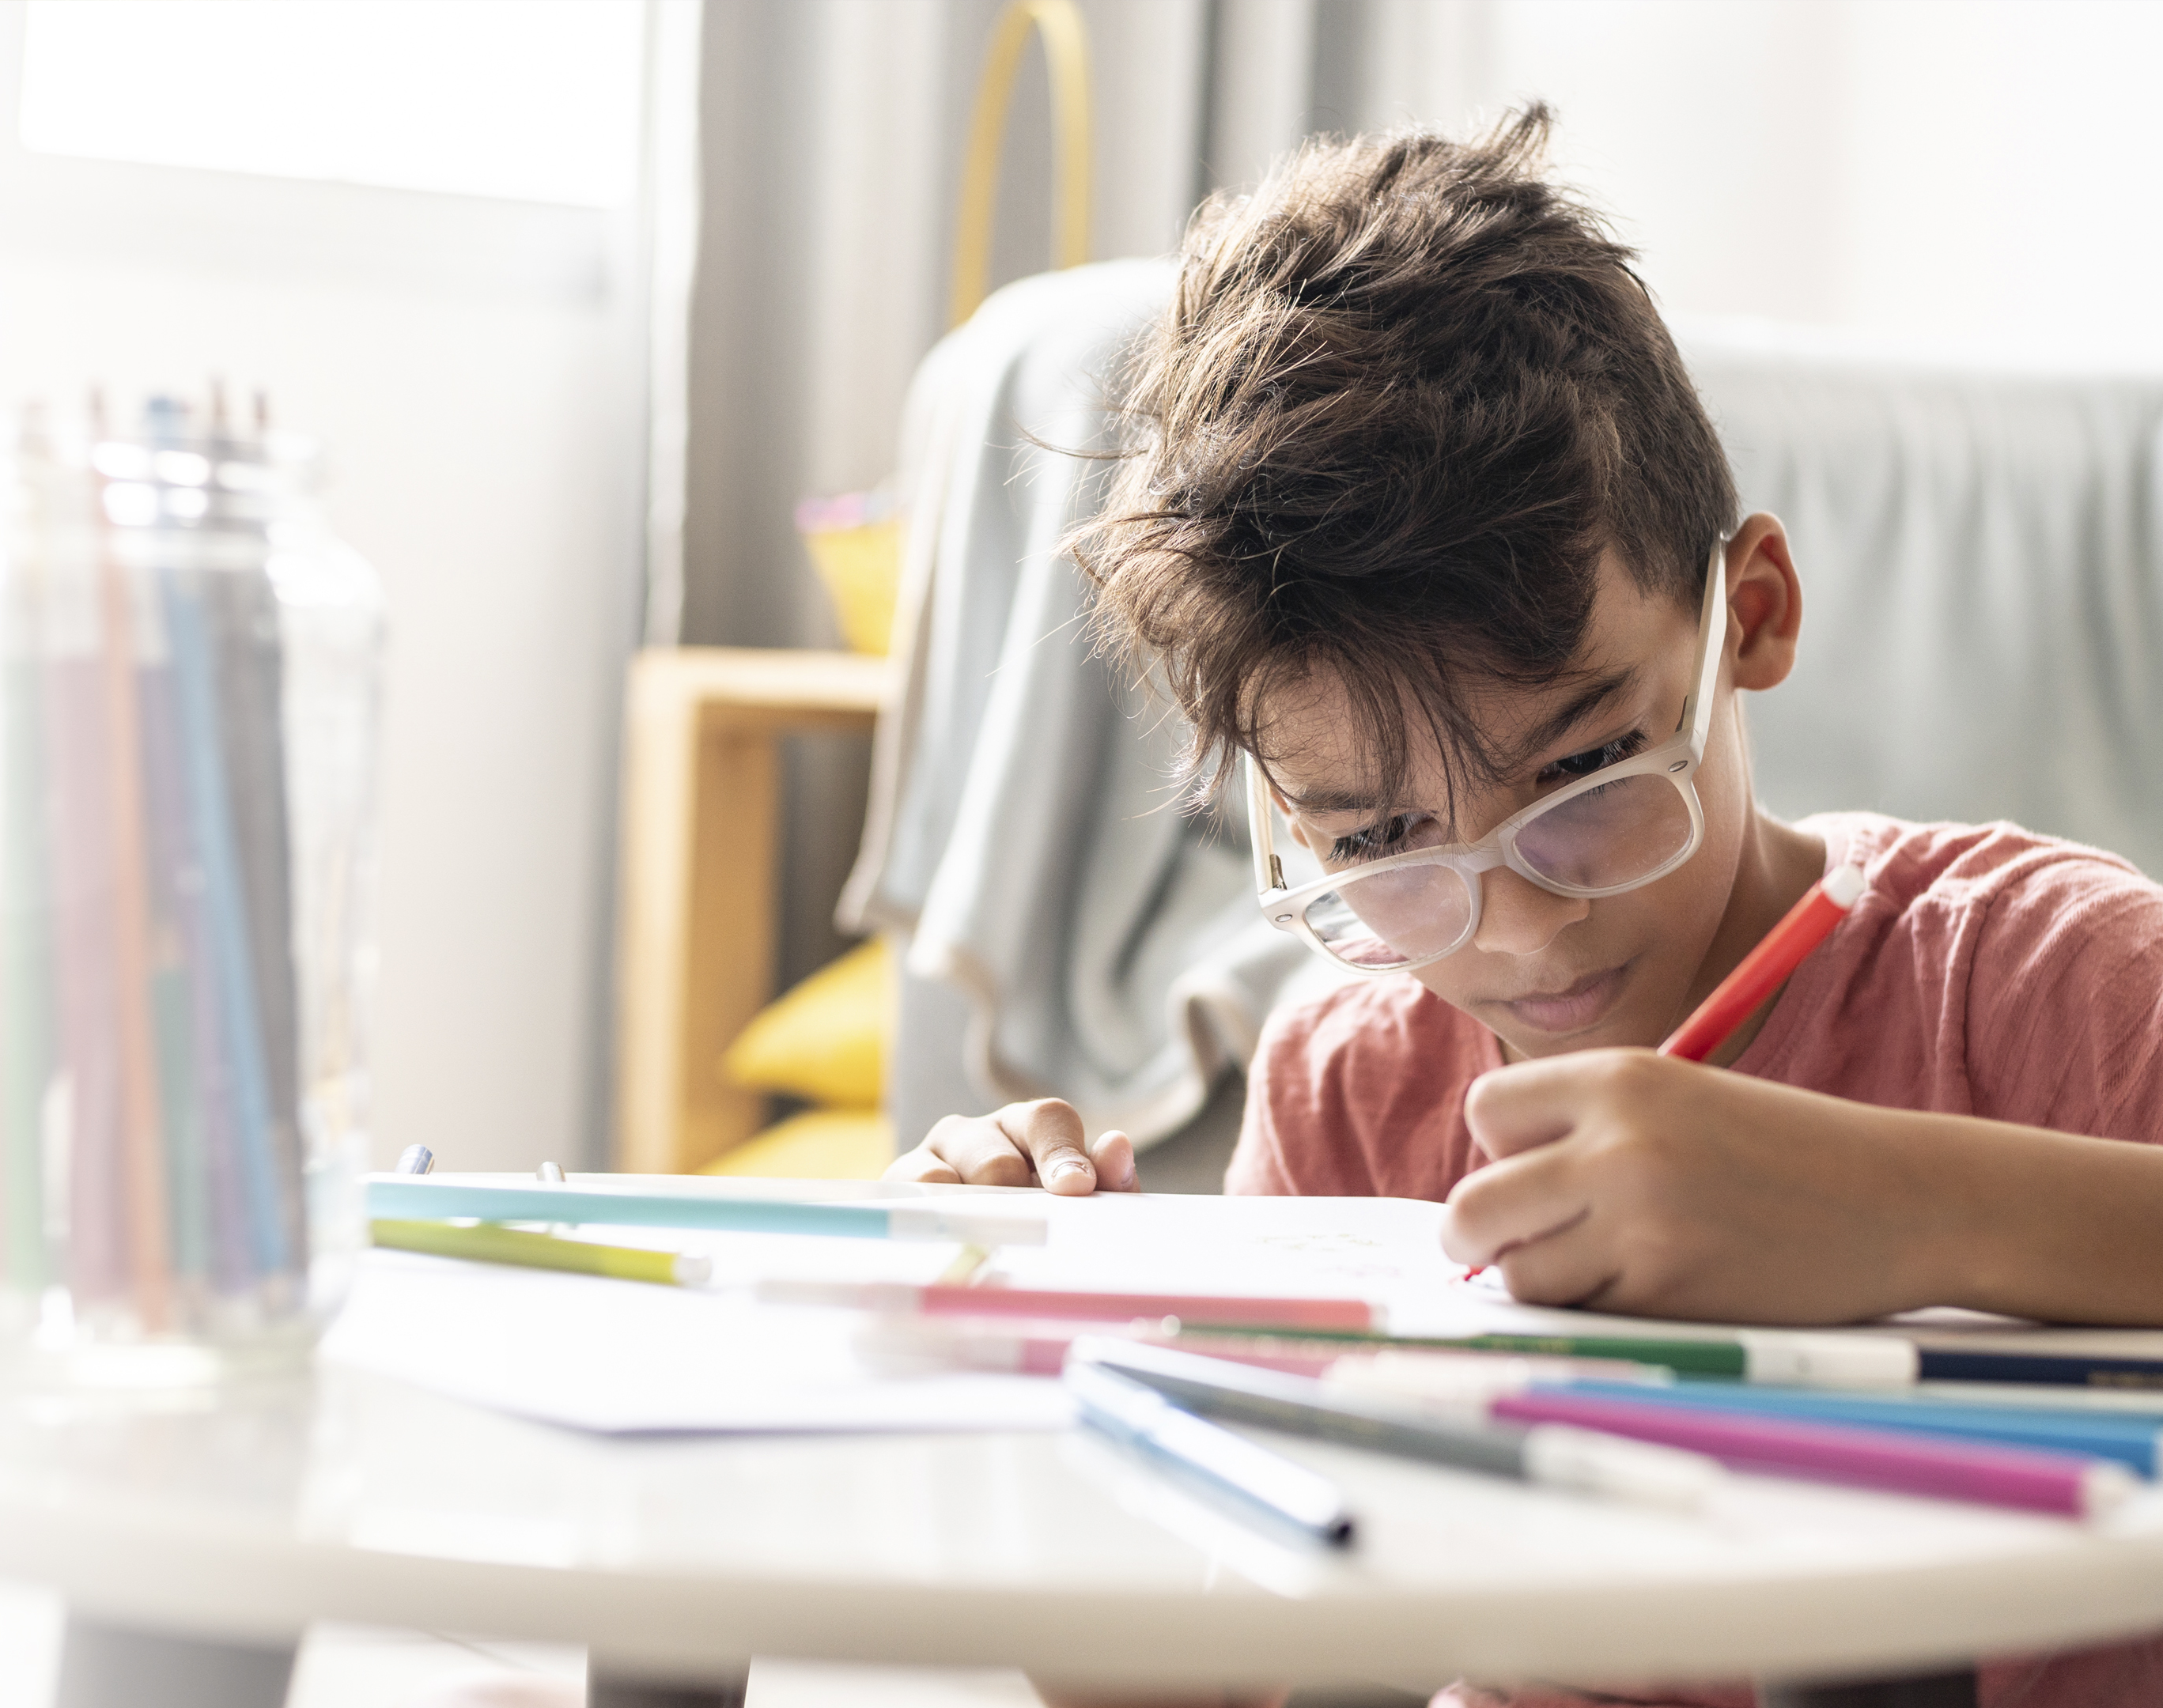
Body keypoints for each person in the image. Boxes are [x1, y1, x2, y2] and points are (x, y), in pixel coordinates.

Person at [888, 105, 2163, 1707]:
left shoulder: (2041, 979)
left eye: (1587, 775)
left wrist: (1909, 1210)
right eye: (1379, 841)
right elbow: (1229, 1667)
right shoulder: (1348, 1092)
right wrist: (1035, 1379)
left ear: (1752, 616)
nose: (1521, 930)